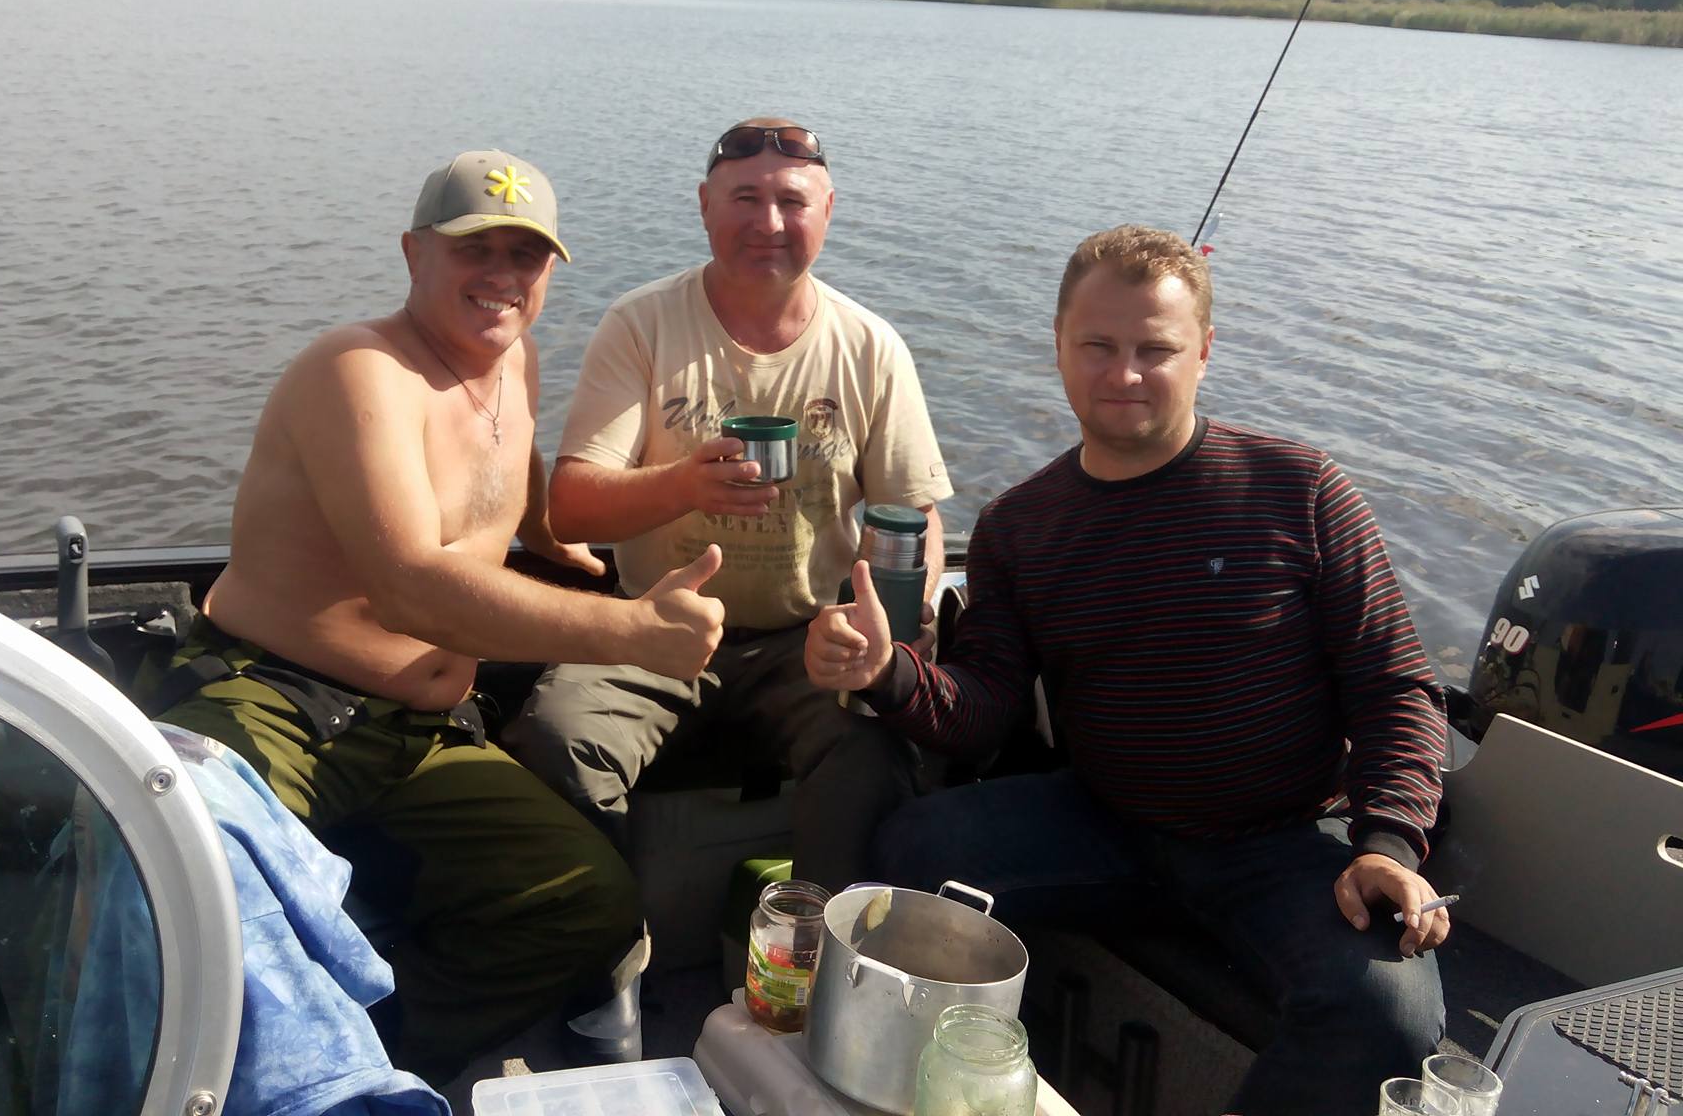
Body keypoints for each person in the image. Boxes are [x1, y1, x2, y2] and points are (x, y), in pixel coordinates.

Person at [806, 224, 1450, 1116]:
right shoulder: (1021, 526)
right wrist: (889, 672)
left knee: (1388, 1015)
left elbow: (1397, 689)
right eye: (1098, 346)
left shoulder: (1302, 491)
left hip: (1281, 843)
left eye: (1156, 349)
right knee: (909, 852)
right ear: (1059, 346)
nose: (1125, 374)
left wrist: (1389, 845)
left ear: (1204, 351)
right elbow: (986, 705)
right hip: (1104, 820)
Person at [142, 150, 726, 1082]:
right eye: (473, 249)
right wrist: (631, 630)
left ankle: (365, 1063)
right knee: (183, 884)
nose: (503, 276)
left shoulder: (514, 361)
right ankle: (236, 1071)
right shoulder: (359, 370)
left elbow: (508, 471)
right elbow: (411, 585)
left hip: (423, 730)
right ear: (414, 253)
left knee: (587, 900)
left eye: (526, 255)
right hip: (278, 701)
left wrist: (558, 543)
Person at [502, 119, 953, 889]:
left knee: (879, 748)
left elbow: (913, 516)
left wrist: (885, 626)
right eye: (744, 198)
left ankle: (817, 944)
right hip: (652, 623)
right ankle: (604, 943)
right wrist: (682, 485)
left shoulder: (870, 347)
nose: (767, 222)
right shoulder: (642, 323)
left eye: (792, 201)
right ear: (705, 206)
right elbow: (571, 508)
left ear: (828, 211)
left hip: (805, 640)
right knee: (555, 738)